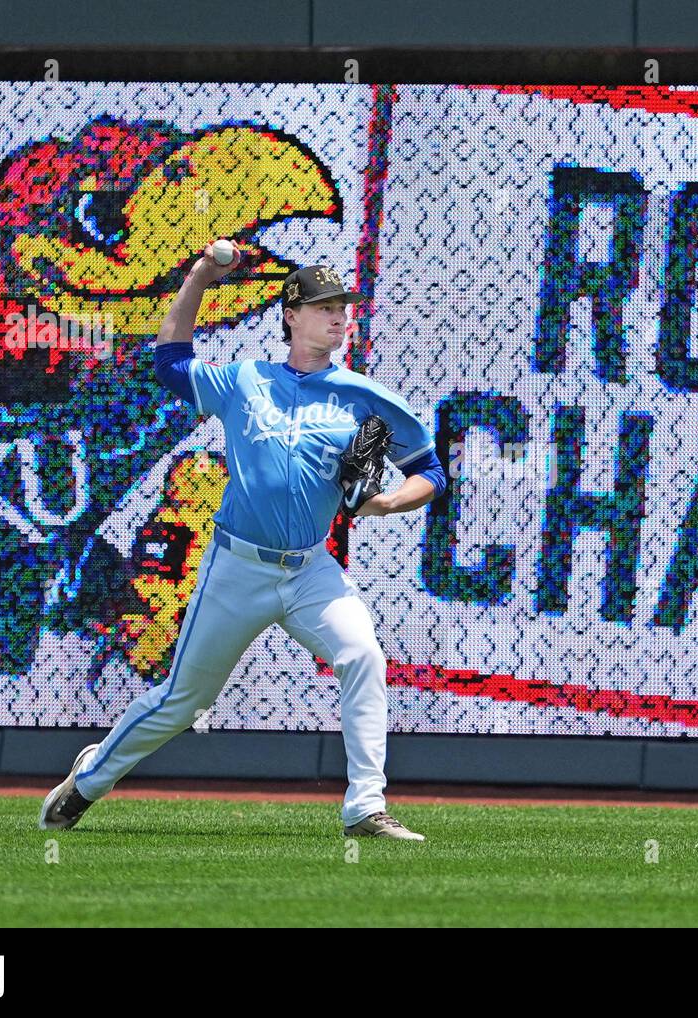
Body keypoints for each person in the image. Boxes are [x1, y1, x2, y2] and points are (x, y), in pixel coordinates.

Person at [38, 242, 446, 841]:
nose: (338, 316)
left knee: (362, 657)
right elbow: (171, 363)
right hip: (237, 568)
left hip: (310, 569)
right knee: (183, 699)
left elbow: (430, 473)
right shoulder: (244, 380)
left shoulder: (366, 398)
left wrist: (386, 502)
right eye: (324, 305)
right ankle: (90, 779)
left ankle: (365, 807)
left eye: (343, 306)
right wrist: (201, 274)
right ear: (291, 314)